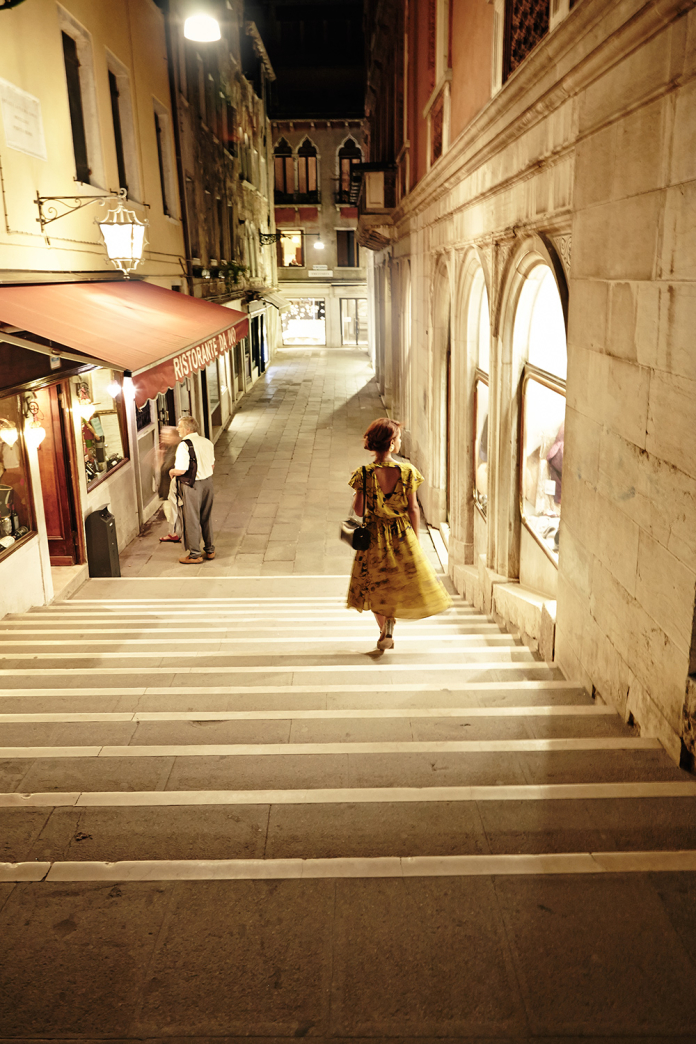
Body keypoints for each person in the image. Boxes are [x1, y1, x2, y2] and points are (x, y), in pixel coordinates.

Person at [346, 418, 452, 650]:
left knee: (374, 583)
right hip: (401, 534)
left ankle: (385, 627)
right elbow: (413, 508)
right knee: (397, 581)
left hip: (373, 536)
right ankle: (391, 621)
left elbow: (358, 509)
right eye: (399, 438)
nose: (400, 441)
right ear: (392, 443)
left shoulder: (364, 473)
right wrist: (414, 538)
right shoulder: (407, 472)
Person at [169, 415, 215, 564]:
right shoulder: (207, 442)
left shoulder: (184, 445)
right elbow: (212, 465)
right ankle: (210, 550)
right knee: (206, 517)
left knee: (192, 518)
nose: (178, 429)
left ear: (188, 429)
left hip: (192, 485)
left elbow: (182, 469)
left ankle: (195, 554)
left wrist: (172, 472)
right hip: (208, 483)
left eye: (180, 427)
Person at [158, 426, 182, 544]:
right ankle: (174, 533)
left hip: (173, 488)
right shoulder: (169, 448)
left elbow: (168, 468)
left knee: (172, 511)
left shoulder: (178, 450)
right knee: (170, 511)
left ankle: (175, 534)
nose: (163, 437)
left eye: (167, 435)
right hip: (167, 488)